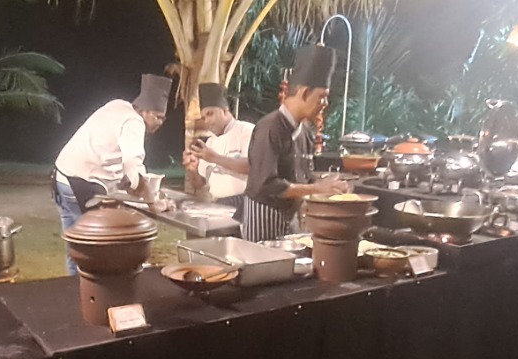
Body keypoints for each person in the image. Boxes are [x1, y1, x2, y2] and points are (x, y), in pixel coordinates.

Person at [54, 73, 170, 274]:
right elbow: (134, 169)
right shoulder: (135, 122)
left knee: (76, 248)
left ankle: (73, 288)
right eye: (157, 117)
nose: (160, 123)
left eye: (163, 118)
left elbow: (108, 153)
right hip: (80, 183)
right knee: (96, 250)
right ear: (143, 110)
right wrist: (153, 204)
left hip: (61, 177)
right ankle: (95, 289)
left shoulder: (117, 105)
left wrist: (126, 183)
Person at [242, 44, 349, 241]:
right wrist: (317, 188)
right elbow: (267, 185)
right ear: (304, 92)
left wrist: (330, 188)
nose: (325, 104)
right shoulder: (270, 127)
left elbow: (305, 180)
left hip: (290, 221)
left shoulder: (306, 133)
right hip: (263, 221)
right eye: (322, 97)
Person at [182, 82, 253, 218]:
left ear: (225, 111)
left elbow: (252, 165)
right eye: (204, 118)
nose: (207, 121)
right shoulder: (210, 142)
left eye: (210, 114)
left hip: (244, 204)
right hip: (217, 206)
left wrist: (214, 158)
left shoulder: (246, 131)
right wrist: (193, 169)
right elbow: (199, 184)